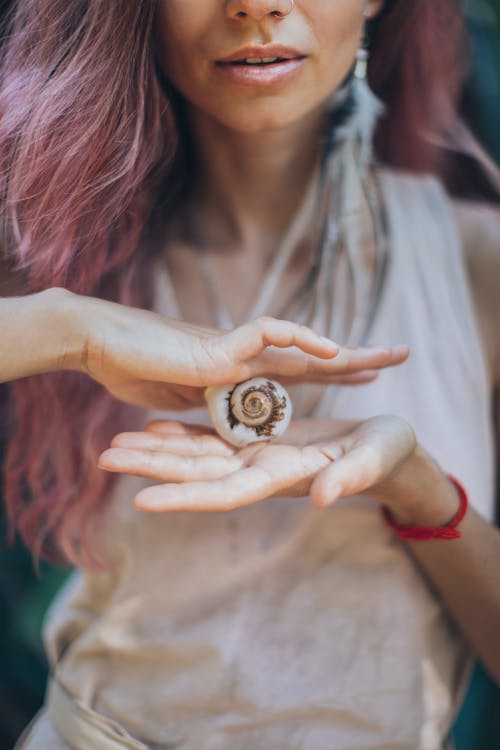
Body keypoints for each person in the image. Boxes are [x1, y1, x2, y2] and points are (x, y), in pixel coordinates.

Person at [1, 0, 499, 748]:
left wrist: (420, 490)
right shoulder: (56, 240)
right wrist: (72, 328)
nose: (256, 4)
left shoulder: (476, 263)